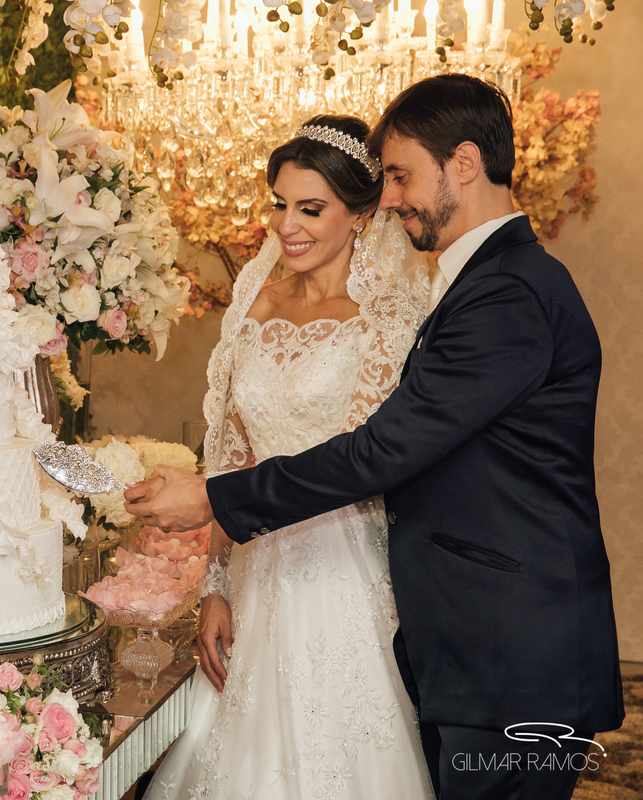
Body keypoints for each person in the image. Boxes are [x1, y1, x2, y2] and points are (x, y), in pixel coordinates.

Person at [126, 75, 624, 800]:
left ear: (461, 163)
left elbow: (383, 450)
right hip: (461, 643)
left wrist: (211, 497)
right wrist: (219, 573)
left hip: (509, 659)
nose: (389, 198)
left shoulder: (507, 293)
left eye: (399, 175)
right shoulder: (482, 280)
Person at [142, 114, 435, 800]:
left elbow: (367, 463)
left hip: (341, 576)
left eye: (311, 208)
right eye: (279, 204)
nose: (287, 225)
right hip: (253, 569)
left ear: (362, 214)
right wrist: (214, 587)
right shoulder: (255, 300)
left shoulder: (387, 316)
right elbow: (230, 455)